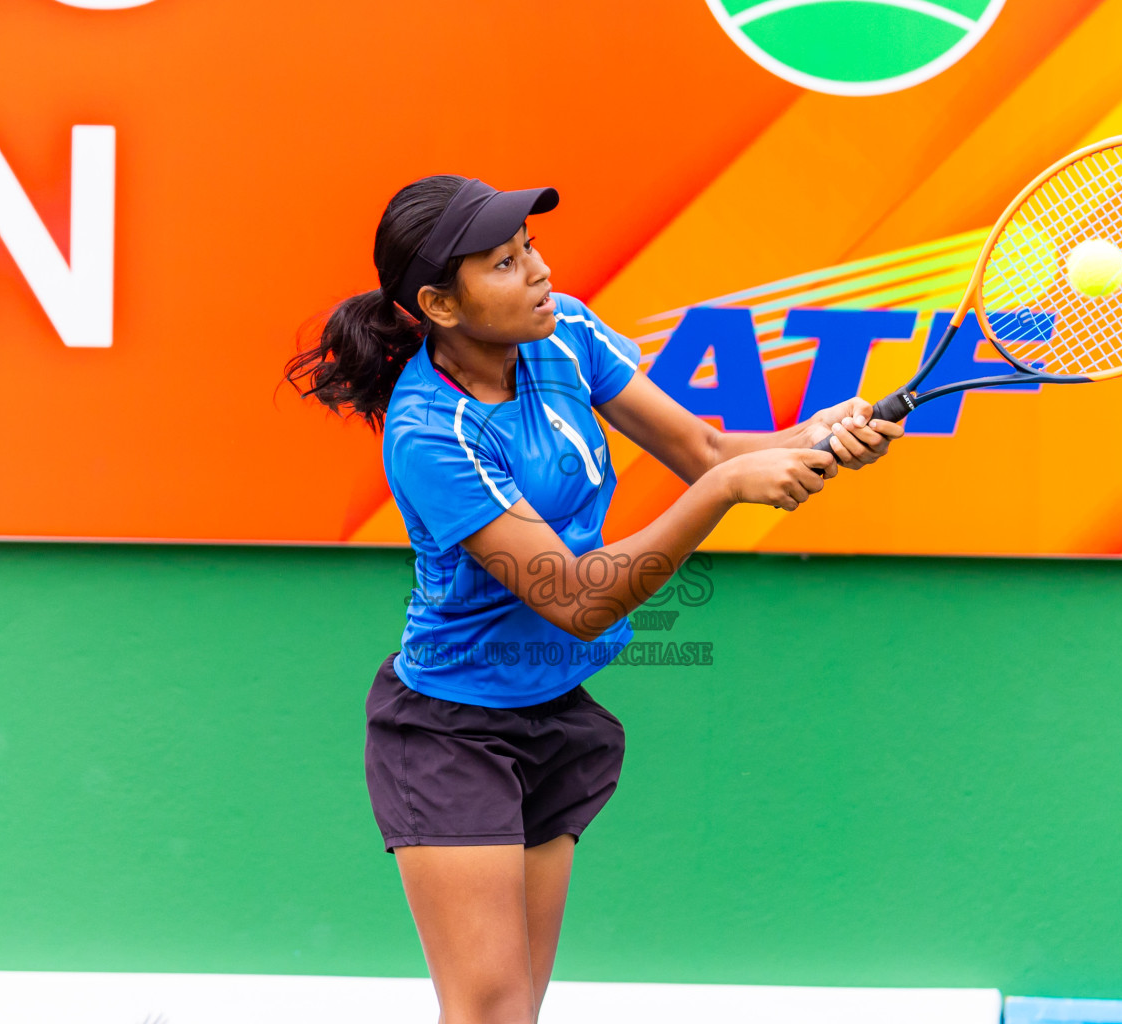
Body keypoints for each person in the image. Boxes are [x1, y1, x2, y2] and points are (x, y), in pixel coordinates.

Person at [286, 174, 903, 1024]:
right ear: (439, 304)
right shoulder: (430, 431)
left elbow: (704, 446)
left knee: (518, 1012)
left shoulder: (565, 332)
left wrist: (818, 440)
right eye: (504, 263)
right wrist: (727, 488)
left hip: (551, 716)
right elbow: (573, 599)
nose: (537, 271)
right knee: (490, 1011)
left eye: (530, 249)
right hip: (448, 733)